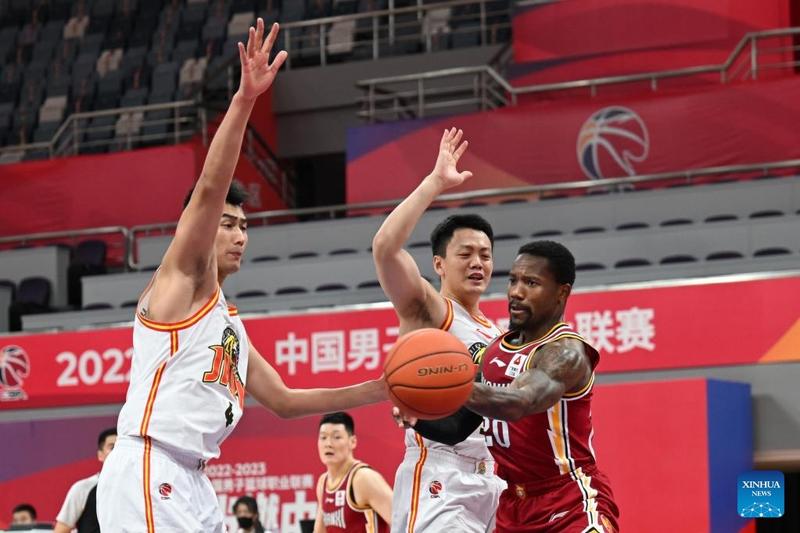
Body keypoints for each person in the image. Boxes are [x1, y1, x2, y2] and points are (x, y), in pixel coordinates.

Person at [96, 20, 386, 533]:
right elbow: (210, 190)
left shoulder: (229, 325)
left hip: (194, 478)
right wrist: (245, 100)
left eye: (244, 226)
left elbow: (286, 402)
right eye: (227, 224)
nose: (238, 235)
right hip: (150, 464)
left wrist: (379, 389)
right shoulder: (181, 282)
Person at [372, 128, 507, 532]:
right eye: (465, 253)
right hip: (440, 476)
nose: (477, 263)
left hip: (493, 478)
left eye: (485, 255)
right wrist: (434, 183)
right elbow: (385, 248)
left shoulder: (497, 335)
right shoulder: (430, 308)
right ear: (439, 265)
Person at [464, 241, 620, 532]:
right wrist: (418, 407)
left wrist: (445, 386)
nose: (516, 292)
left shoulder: (566, 353)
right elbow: (463, 417)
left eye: (531, 283)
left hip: (570, 501)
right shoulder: (495, 350)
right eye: (513, 280)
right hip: (513, 505)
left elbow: (520, 402)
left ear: (562, 292)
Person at [313, 412, 392, 532]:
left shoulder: (363, 478)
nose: (328, 444)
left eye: (336, 437)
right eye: (323, 437)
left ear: (352, 441)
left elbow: (405, 521)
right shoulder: (323, 482)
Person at [54, 427, 116, 533]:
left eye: (120, 448)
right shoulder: (82, 488)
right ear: (100, 455)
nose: (117, 452)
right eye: (112, 447)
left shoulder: (138, 488)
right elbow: (61, 530)